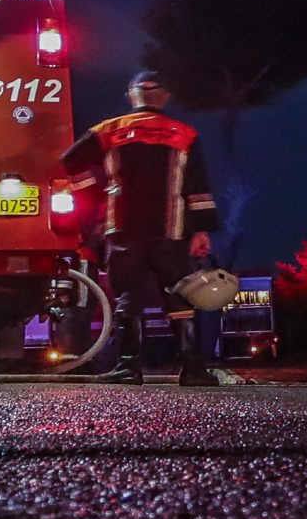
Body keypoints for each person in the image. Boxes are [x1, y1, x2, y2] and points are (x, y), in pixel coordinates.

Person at [62, 69, 221, 386]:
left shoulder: (108, 130)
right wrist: (202, 230)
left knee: (127, 299)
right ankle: (191, 369)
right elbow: (198, 187)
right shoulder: (184, 133)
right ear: (165, 97)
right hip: (170, 233)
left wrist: (96, 193)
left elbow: (70, 161)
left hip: (123, 231)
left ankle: (128, 368)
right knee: (181, 298)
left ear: (131, 96)